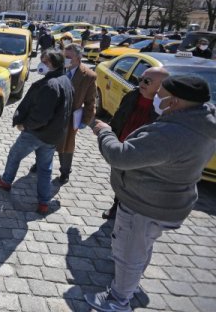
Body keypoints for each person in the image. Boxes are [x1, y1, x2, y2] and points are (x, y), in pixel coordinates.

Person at [86, 75, 216, 312]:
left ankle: (118, 300)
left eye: (160, 95)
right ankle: (130, 285)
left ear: (174, 101)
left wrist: (104, 132)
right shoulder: (203, 120)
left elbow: (120, 156)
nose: (156, 98)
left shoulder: (173, 134)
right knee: (141, 247)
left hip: (145, 205)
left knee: (128, 253)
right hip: (168, 202)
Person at [0, 49, 74, 214]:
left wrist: (25, 126)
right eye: (42, 60)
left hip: (36, 134)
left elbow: (41, 116)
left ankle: (6, 180)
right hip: (52, 135)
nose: (41, 63)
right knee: (45, 169)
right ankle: (43, 201)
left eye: (45, 61)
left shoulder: (51, 85)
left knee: (15, 155)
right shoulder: (66, 80)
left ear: (54, 64)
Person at [101, 67, 169, 220]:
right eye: (140, 79)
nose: (141, 83)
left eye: (147, 81)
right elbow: (120, 114)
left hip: (142, 153)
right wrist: (110, 133)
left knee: (134, 182)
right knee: (118, 179)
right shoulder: (133, 95)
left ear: (161, 86)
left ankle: (128, 209)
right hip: (122, 145)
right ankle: (116, 205)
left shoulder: (165, 106)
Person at [55, 44, 97, 184]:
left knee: (66, 146)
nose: (64, 60)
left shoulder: (88, 76)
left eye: (68, 57)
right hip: (52, 113)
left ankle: (65, 171)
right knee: (44, 142)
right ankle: (40, 163)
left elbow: (91, 102)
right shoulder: (57, 69)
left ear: (78, 59)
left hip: (70, 117)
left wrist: (85, 120)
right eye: (63, 56)